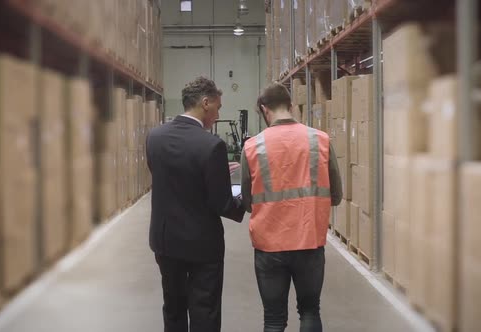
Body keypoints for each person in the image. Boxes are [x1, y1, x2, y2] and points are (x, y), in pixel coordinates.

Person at [240, 83, 343, 332]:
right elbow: (336, 196)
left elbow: (246, 202)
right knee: (309, 311)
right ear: (291, 106)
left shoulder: (253, 146)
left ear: (264, 110)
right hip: (309, 241)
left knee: (274, 318)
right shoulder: (320, 140)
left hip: (269, 246)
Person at [145, 76, 245, 332]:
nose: (217, 114)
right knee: (204, 310)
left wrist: (213, 171)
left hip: (165, 241)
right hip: (202, 246)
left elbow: (170, 177)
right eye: (218, 107)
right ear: (205, 102)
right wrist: (245, 197)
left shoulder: (154, 137)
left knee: (174, 307)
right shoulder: (212, 145)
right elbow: (221, 203)